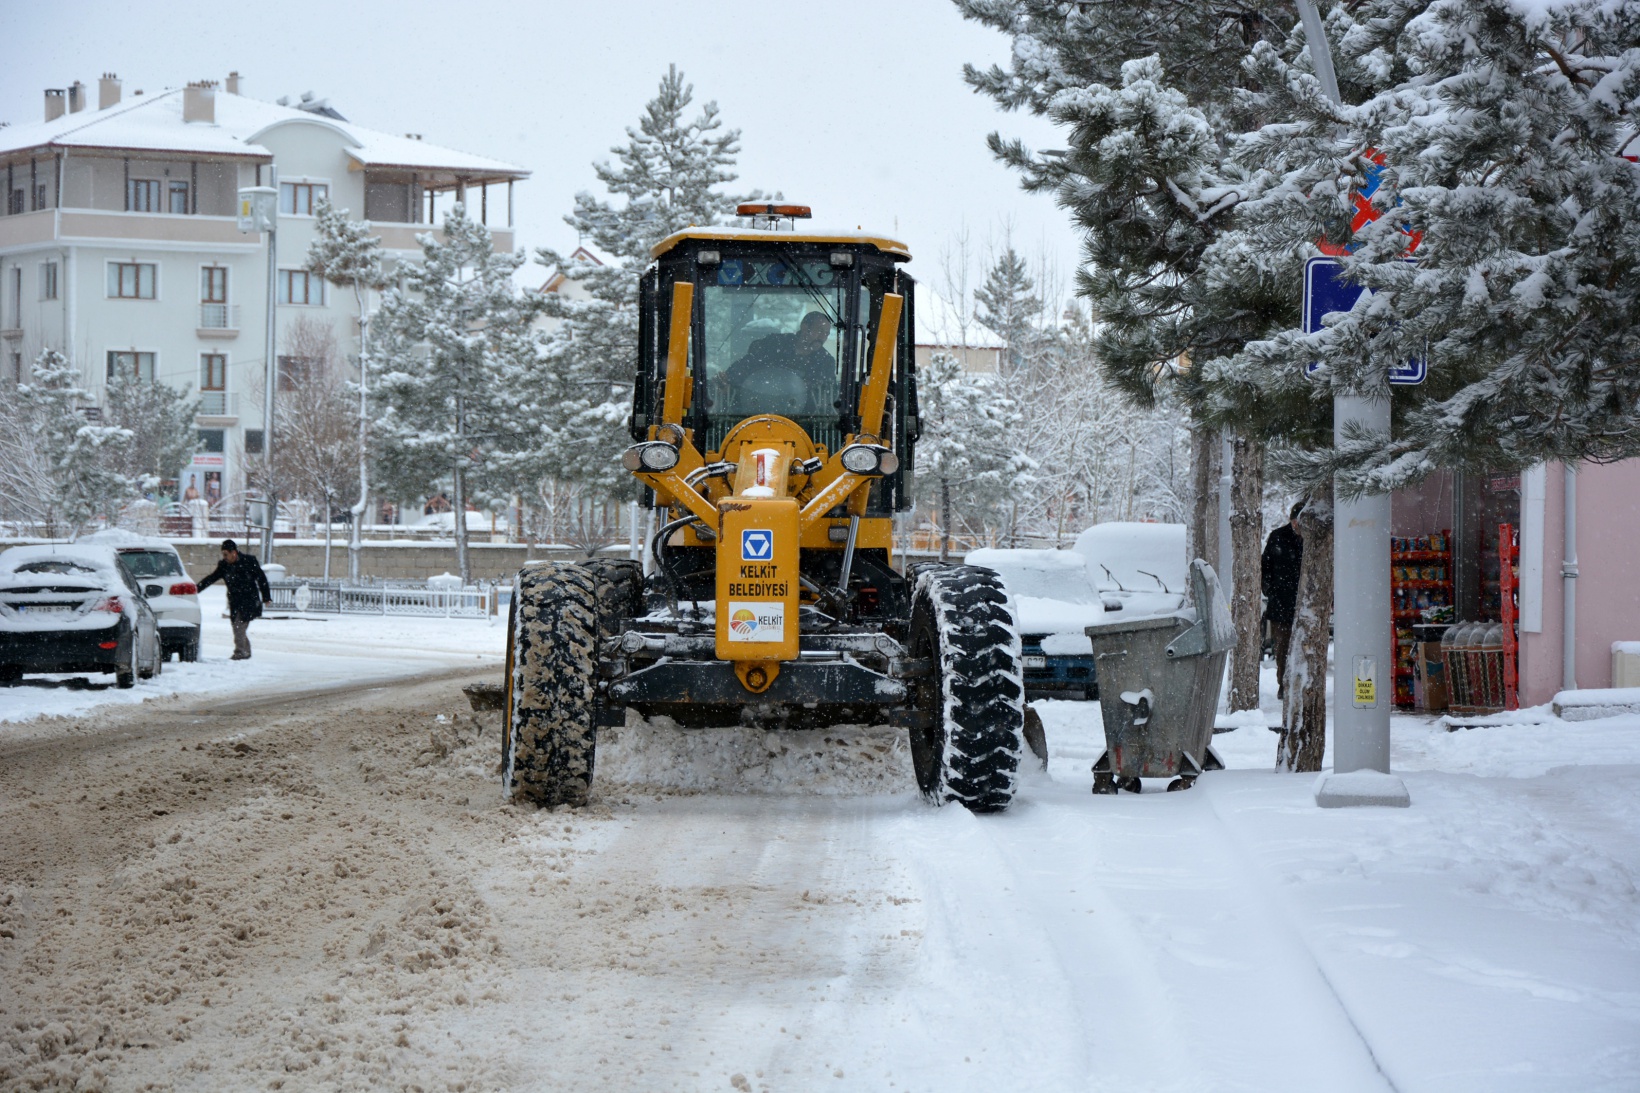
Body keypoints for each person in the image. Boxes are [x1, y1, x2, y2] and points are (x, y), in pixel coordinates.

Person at [719, 310, 837, 416]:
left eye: (826, 333)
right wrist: (728, 379)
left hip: (803, 420)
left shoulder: (825, 362)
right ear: (805, 327)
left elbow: (827, 395)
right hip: (757, 411)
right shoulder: (774, 345)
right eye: (820, 331)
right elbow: (747, 365)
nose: (823, 337)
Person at [196, 539, 272, 661]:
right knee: (237, 627)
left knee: (238, 627)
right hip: (235, 602)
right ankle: (246, 651)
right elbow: (211, 578)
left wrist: (266, 597)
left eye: (226, 554)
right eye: (223, 554)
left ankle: (240, 653)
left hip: (249, 601)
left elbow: (261, 578)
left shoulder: (249, 561)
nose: (224, 557)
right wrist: (196, 589)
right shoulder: (224, 566)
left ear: (234, 553)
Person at [1261, 501, 1306, 699]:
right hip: (1281, 604)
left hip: (1305, 603)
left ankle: (1303, 684)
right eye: (1296, 521)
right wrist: (1271, 590)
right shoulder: (1278, 537)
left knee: (1304, 648)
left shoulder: (1314, 539)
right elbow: (1265, 567)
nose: (1298, 526)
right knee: (1283, 649)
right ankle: (1284, 685)